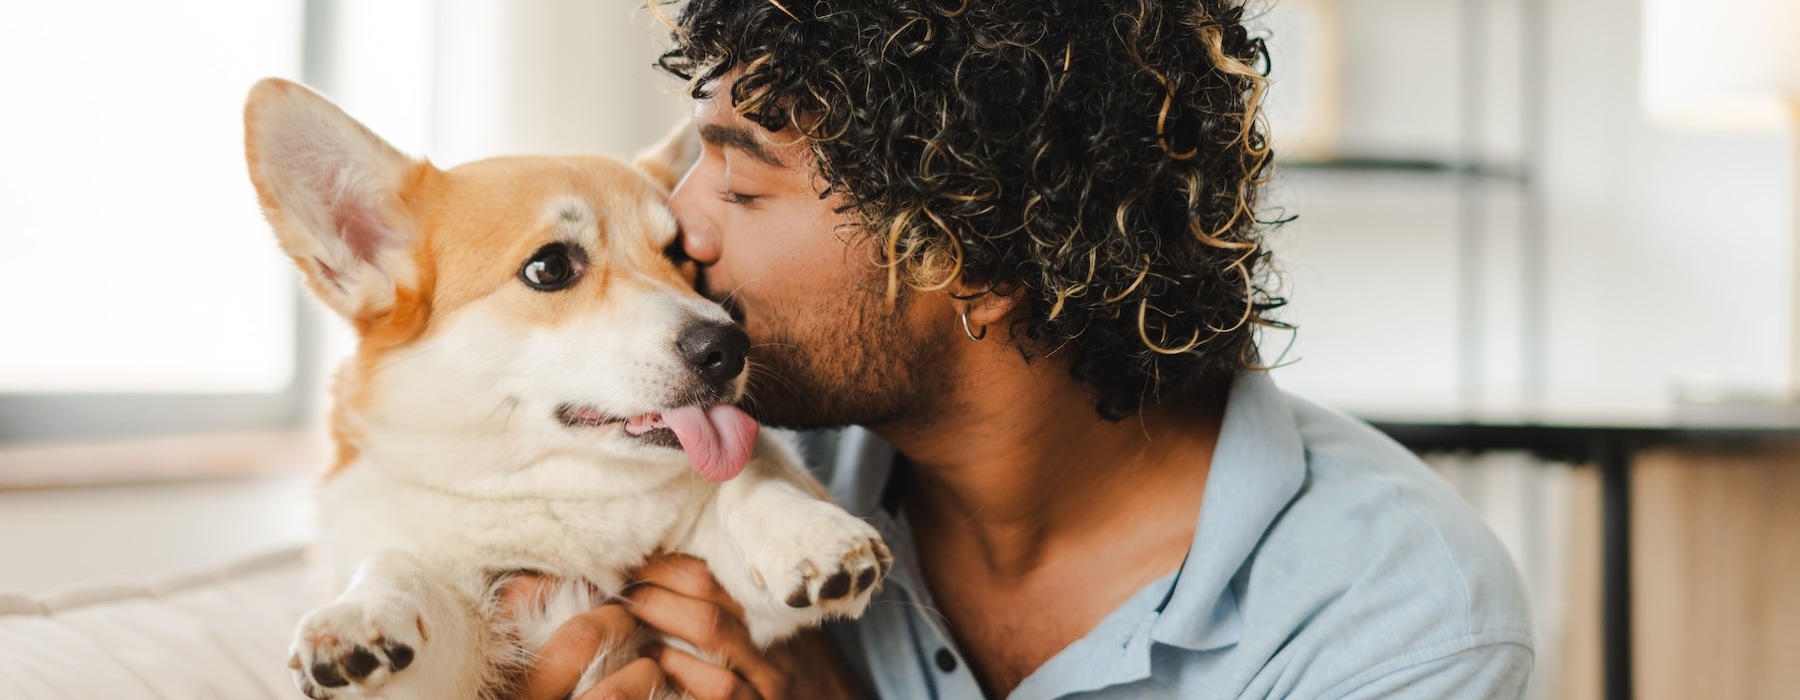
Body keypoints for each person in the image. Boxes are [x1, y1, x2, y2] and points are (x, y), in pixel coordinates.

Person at [517, 1, 1534, 698]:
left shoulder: (1389, 611)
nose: (675, 219)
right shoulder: (729, 463)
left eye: (742, 185)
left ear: (979, 258)